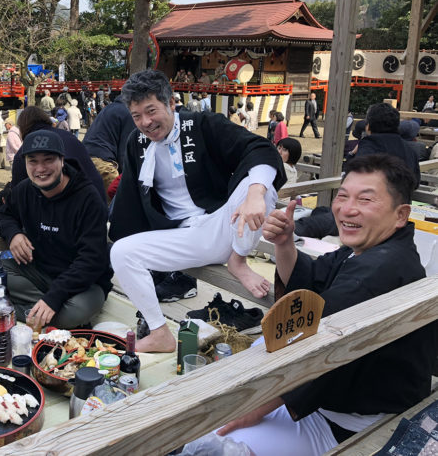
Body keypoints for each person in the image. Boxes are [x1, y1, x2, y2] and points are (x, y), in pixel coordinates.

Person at [187, 155, 437, 456]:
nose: (347, 208)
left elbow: (317, 343)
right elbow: (310, 283)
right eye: (343, 196)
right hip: (324, 389)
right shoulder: (364, 252)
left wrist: (251, 407)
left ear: (400, 215)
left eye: (366, 199)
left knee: (215, 435)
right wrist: (284, 242)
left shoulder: (382, 269)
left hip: (353, 418)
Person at [109, 70, 285, 352]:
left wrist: (254, 192)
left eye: (151, 111)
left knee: (261, 182)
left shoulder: (202, 124)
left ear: (171, 103)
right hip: (183, 236)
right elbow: (130, 198)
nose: (145, 122)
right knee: (120, 251)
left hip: (225, 224)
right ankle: (159, 332)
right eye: (136, 116)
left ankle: (238, 261)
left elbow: (259, 147)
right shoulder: (136, 143)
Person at [0, 130, 112, 328]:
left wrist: (54, 297)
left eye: (48, 160)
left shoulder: (88, 197)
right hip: (38, 272)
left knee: (75, 313)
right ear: (24, 163)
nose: (40, 169)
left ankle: (17, 311)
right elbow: (4, 214)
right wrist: (14, 234)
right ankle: (45, 310)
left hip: (82, 283)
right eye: (33, 161)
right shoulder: (25, 189)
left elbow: (91, 260)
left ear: (62, 160)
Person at [11, 106, 106, 203]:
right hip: (97, 196)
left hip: (70, 206)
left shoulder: (24, 152)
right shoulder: (69, 137)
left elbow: (17, 197)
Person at [82, 95, 137, 202]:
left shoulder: (110, 107)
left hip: (86, 158)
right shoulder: (128, 112)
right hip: (103, 163)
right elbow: (125, 150)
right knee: (120, 204)